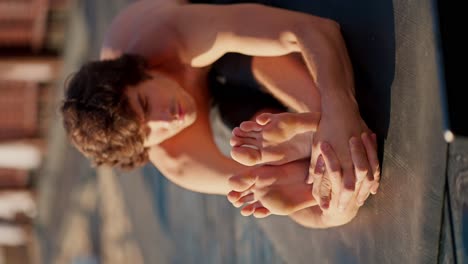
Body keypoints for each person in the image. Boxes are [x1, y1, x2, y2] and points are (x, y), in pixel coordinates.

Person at [61, 0, 380, 227]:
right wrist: (336, 211)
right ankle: (305, 143)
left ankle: (314, 122)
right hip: (231, 114)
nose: (164, 119)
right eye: (149, 133)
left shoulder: (166, 36)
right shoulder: (182, 162)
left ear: (142, 71)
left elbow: (313, 30)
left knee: (253, 59)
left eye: (146, 104)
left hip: (221, 32)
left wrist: (340, 107)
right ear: (146, 147)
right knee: (254, 155)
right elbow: (300, 208)